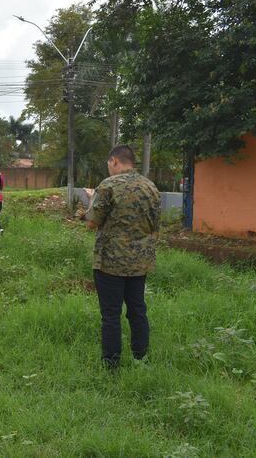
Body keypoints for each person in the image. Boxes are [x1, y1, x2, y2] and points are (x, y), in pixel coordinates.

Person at [84, 145, 161, 368]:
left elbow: (92, 222)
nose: (108, 168)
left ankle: (111, 364)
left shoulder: (107, 186)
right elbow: (155, 227)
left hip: (110, 263)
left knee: (111, 314)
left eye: (109, 164)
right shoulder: (151, 187)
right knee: (137, 310)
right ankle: (141, 358)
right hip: (140, 263)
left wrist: (91, 199)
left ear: (115, 161)